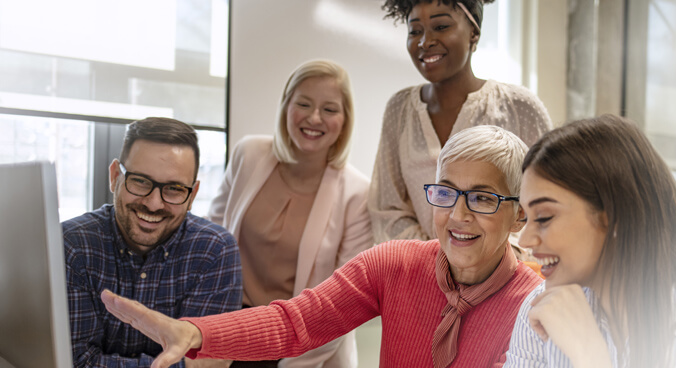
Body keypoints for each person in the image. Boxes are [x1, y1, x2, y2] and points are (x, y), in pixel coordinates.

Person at [99, 125, 543, 368]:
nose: (459, 215)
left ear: (520, 213)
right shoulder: (396, 263)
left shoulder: (536, 304)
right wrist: (199, 333)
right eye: (446, 192)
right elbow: (297, 323)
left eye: (483, 198)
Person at [504, 115, 676, 368]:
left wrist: (589, 354)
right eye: (526, 217)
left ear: (616, 217)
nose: (525, 240)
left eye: (544, 217)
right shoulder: (544, 307)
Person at [206, 60, 373, 368]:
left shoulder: (358, 194)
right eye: (304, 104)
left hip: (302, 345)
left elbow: (343, 303)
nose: (314, 118)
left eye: (330, 109)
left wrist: (291, 361)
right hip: (231, 329)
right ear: (286, 106)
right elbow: (210, 243)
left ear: (345, 120)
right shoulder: (249, 154)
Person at [369, 0, 552, 243]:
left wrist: (486, 260)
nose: (425, 41)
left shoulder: (519, 107)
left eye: (441, 26)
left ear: (474, 33)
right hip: (420, 272)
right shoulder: (399, 109)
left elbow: (545, 202)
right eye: (415, 31)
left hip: (507, 274)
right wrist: (436, 260)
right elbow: (387, 208)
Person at [63, 117, 242, 368]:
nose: (154, 203)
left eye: (174, 188)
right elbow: (74, 362)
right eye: (140, 181)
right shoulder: (72, 246)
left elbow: (212, 361)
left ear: (192, 195)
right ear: (115, 177)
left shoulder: (215, 251)